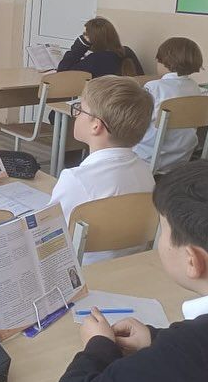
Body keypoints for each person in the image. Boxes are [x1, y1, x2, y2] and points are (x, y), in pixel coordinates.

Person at [53, 159, 208, 382]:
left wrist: (98, 347)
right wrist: (156, 339)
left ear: (192, 261)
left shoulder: (191, 352)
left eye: (163, 229)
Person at [49, 76, 154, 263]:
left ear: (96, 126)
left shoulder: (76, 179)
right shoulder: (146, 173)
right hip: (128, 267)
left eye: (80, 109)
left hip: (83, 269)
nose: (76, 114)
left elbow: (50, 236)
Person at [133, 37, 203, 171]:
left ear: (165, 61)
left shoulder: (154, 87)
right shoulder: (194, 87)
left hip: (147, 157)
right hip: (181, 158)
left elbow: (135, 119)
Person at [57, 17, 137, 78]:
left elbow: (62, 75)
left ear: (93, 38)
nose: (83, 37)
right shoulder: (125, 52)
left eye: (85, 35)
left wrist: (79, 46)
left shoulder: (96, 59)